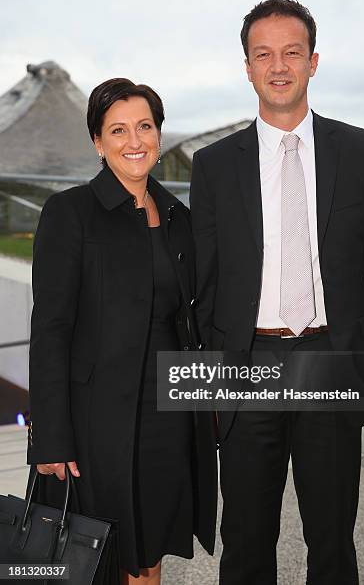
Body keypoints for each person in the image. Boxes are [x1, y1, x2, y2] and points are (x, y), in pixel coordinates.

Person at [190, 0, 364, 585]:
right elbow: (203, 287)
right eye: (264, 54)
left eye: (291, 52)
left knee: (333, 540)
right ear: (247, 67)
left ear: (313, 61)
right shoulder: (212, 165)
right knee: (245, 542)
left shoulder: (360, 150)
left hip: (329, 358)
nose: (278, 65)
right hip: (247, 364)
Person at [27, 78, 217, 584]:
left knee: (149, 550)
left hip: (167, 417)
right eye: (118, 130)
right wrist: (50, 437)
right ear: (98, 141)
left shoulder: (180, 218)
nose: (134, 141)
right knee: (94, 557)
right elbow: (50, 329)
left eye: (144, 127)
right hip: (96, 424)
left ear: (158, 133)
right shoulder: (69, 213)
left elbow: (192, 319)